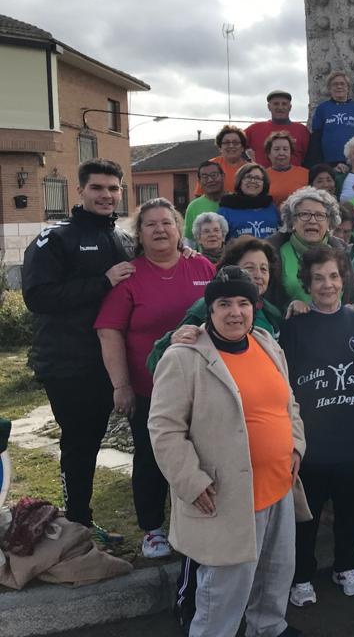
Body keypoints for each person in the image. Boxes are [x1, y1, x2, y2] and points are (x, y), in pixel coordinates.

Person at [148, 266, 307, 637]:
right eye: (224, 304)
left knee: (276, 571)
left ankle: (269, 627)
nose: (235, 312)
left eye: (243, 303)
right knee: (223, 592)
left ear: (254, 307)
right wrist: (190, 481)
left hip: (279, 485)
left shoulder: (267, 344)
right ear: (209, 309)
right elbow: (164, 429)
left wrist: (296, 446)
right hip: (225, 494)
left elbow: (290, 403)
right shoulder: (184, 357)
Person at [94, 198, 216, 558]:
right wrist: (121, 386)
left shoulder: (202, 266)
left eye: (167, 223)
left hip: (203, 385)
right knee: (152, 457)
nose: (160, 229)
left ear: (179, 230)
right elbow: (109, 331)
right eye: (151, 224)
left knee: (203, 454)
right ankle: (153, 529)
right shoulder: (129, 276)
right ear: (139, 234)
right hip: (151, 388)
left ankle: (195, 519)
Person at [22, 158, 134, 540]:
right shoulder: (56, 238)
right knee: (80, 444)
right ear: (80, 190)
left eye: (113, 188)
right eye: (97, 188)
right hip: (69, 363)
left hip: (113, 361)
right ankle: (79, 526)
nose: (106, 195)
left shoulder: (121, 238)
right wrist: (103, 281)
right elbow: (37, 296)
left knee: (95, 439)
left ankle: (82, 523)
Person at [280, 246, 354, 607]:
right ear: (307, 284)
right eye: (318, 278)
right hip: (313, 443)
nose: (327, 285)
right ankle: (301, 576)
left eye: (333, 276)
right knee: (306, 515)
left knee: (351, 509)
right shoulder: (294, 326)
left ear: (343, 279)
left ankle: (347, 566)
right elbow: (283, 386)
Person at [147, 235, 285, 374]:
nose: (258, 275)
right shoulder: (205, 308)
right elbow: (156, 363)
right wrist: (171, 340)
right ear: (230, 269)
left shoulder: (271, 313)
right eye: (249, 268)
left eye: (264, 269)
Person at [267, 187, 354, 309]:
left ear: (329, 223)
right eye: (304, 214)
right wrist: (289, 308)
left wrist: (352, 309)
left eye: (320, 215)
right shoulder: (273, 253)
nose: (312, 220)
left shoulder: (341, 251)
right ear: (292, 221)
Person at [308, 70, 354, 170]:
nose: (339, 86)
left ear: (348, 88)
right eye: (335, 84)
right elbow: (316, 137)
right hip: (331, 163)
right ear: (329, 88)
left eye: (342, 84)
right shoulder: (322, 108)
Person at [245, 89, 310, 168]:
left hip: (295, 175)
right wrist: (248, 165)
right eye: (276, 104)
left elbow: (310, 157)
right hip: (262, 175)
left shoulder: (302, 130)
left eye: (284, 104)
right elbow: (236, 145)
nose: (280, 107)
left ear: (290, 107)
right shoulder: (254, 129)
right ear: (269, 107)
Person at [217, 163, 280, 240]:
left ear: (264, 184)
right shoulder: (226, 210)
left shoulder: (271, 207)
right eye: (248, 177)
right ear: (240, 181)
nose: (253, 181)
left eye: (257, 178)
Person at [193, 125, 248, 197]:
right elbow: (198, 196)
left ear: (242, 147)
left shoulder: (251, 169)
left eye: (235, 143)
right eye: (227, 143)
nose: (231, 146)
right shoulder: (210, 166)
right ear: (220, 148)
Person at [184, 161, 224, 248]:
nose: (210, 180)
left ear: (223, 176)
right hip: (205, 256)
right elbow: (189, 242)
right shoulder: (193, 207)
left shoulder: (235, 202)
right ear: (199, 181)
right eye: (205, 177)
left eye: (214, 175)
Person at [265, 131, 310, 207]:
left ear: (291, 153)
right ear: (269, 153)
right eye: (276, 149)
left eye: (285, 149)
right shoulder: (262, 176)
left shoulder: (306, 174)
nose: (281, 153)